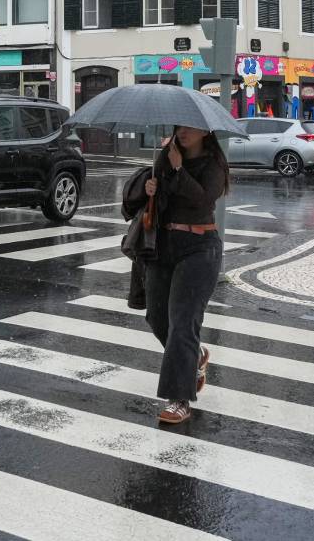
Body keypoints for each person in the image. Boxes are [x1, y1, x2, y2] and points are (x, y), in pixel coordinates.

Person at [140, 126, 229, 424]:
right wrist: (150, 188)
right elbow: (157, 202)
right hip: (163, 245)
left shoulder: (214, 163)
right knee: (156, 317)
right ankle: (196, 355)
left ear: (205, 131)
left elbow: (203, 201)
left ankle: (179, 398)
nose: (184, 132)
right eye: (180, 127)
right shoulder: (166, 156)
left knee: (182, 323)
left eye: (190, 128)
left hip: (199, 247)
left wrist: (179, 170)